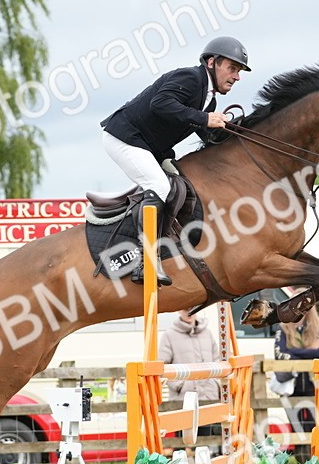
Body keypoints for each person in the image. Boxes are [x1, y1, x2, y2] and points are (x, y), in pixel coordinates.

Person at [100, 36, 251, 286]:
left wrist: (236, 131)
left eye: (239, 71)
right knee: (159, 186)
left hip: (148, 147)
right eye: (232, 68)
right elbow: (160, 104)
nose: (236, 77)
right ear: (212, 62)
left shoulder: (208, 99)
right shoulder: (191, 78)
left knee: (184, 183)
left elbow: (209, 136)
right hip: (124, 137)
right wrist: (204, 119)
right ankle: (145, 261)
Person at [159, 308, 221, 442]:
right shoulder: (169, 335)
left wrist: (215, 383)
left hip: (209, 396)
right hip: (183, 399)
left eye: (192, 308)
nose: (188, 312)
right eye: (184, 308)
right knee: (183, 444)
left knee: (210, 442)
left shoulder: (207, 333)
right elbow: (162, 366)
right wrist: (179, 385)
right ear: (178, 310)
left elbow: (217, 360)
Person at [273, 306, 319, 436]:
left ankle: (313, 455)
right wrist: (309, 351)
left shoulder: (317, 326)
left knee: (313, 425)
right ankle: (300, 455)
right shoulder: (283, 327)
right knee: (296, 427)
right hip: (290, 383)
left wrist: (292, 351)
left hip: (312, 383)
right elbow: (279, 353)